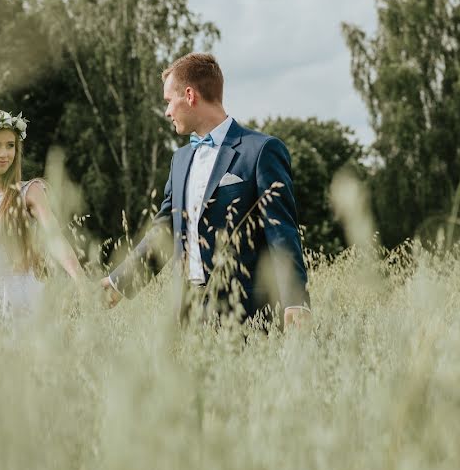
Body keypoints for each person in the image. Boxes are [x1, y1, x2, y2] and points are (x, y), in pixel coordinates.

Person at [100, 53, 311, 329]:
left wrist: (296, 299)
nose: (166, 112)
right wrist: (118, 281)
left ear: (189, 95)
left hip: (250, 316)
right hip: (187, 319)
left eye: (168, 101)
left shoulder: (260, 150)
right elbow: (164, 232)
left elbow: (281, 229)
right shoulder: (180, 161)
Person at [0, 108, 86, 322]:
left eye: (10, 145)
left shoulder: (29, 192)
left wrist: (80, 279)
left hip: (22, 300)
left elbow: (55, 239)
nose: (4, 153)